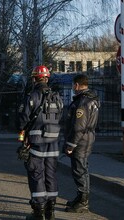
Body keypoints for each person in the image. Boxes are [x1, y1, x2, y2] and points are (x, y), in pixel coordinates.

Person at [17, 65, 63, 220]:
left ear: (34, 78)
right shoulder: (57, 97)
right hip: (54, 142)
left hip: (36, 143)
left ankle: (39, 213)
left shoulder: (32, 96)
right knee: (51, 175)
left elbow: (23, 118)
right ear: (47, 78)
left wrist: (22, 132)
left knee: (37, 175)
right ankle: (51, 211)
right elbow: (60, 116)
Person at [64, 74, 100, 213]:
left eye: (73, 85)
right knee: (81, 169)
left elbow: (79, 126)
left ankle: (83, 202)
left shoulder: (83, 102)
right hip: (87, 138)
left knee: (80, 170)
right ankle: (80, 198)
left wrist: (71, 145)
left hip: (81, 141)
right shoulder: (91, 99)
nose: (73, 88)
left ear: (77, 85)